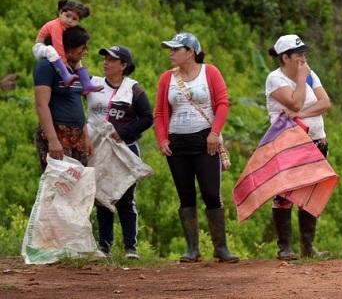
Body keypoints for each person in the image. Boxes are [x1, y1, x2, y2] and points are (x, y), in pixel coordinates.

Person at [154, 32, 239, 263]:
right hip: (177, 142)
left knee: (211, 193)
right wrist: (162, 139)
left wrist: (214, 133)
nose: (171, 53)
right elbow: (160, 113)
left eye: (176, 49)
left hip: (205, 140)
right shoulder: (167, 78)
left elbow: (222, 103)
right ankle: (192, 248)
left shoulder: (209, 72)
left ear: (190, 52)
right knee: (186, 195)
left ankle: (221, 248)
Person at [266, 34, 332, 260]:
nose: (303, 59)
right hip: (288, 144)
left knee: (310, 192)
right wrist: (302, 80)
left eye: (304, 54)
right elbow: (294, 102)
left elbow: (325, 103)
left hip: (315, 139)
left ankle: (307, 246)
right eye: (299, 55)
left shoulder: (311, 75)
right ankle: (284, 247)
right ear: (285, 57)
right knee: (284, 194)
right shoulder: (275, 79)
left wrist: (301, 114)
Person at [86, 46, 153, 259]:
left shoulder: (133, 89)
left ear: (123, 66)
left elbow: (147, 118)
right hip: (96, 149)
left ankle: (130, 248)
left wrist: (123, 133)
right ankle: (104, 247)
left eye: (112, 60)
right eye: (105, 59)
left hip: (124, 149)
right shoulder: (93, 83)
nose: (106, 63)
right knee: (102, 197)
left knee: (125, 197)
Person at [34, 26, 94, 170]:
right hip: (58, 132)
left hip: (77, 133)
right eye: (82, 48)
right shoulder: (46, 67)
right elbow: (42, 105)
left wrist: (85, 135)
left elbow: (77, 102)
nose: (85, 52)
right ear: (69, 48)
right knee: (58, 184)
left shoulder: (75, 69)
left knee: (77, 185)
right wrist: (53, 140)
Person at [32, 0, 101, 94]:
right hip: (40, 47)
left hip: (53, 48)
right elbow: (58, 45)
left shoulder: (68, 27)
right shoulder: (56, 26)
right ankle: (66, 76)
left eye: (74, 19)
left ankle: (87, 85)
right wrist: (65, 64)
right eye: (67, 16)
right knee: (51, 50)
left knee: (78, 61)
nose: (69, 20)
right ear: (60, 13)